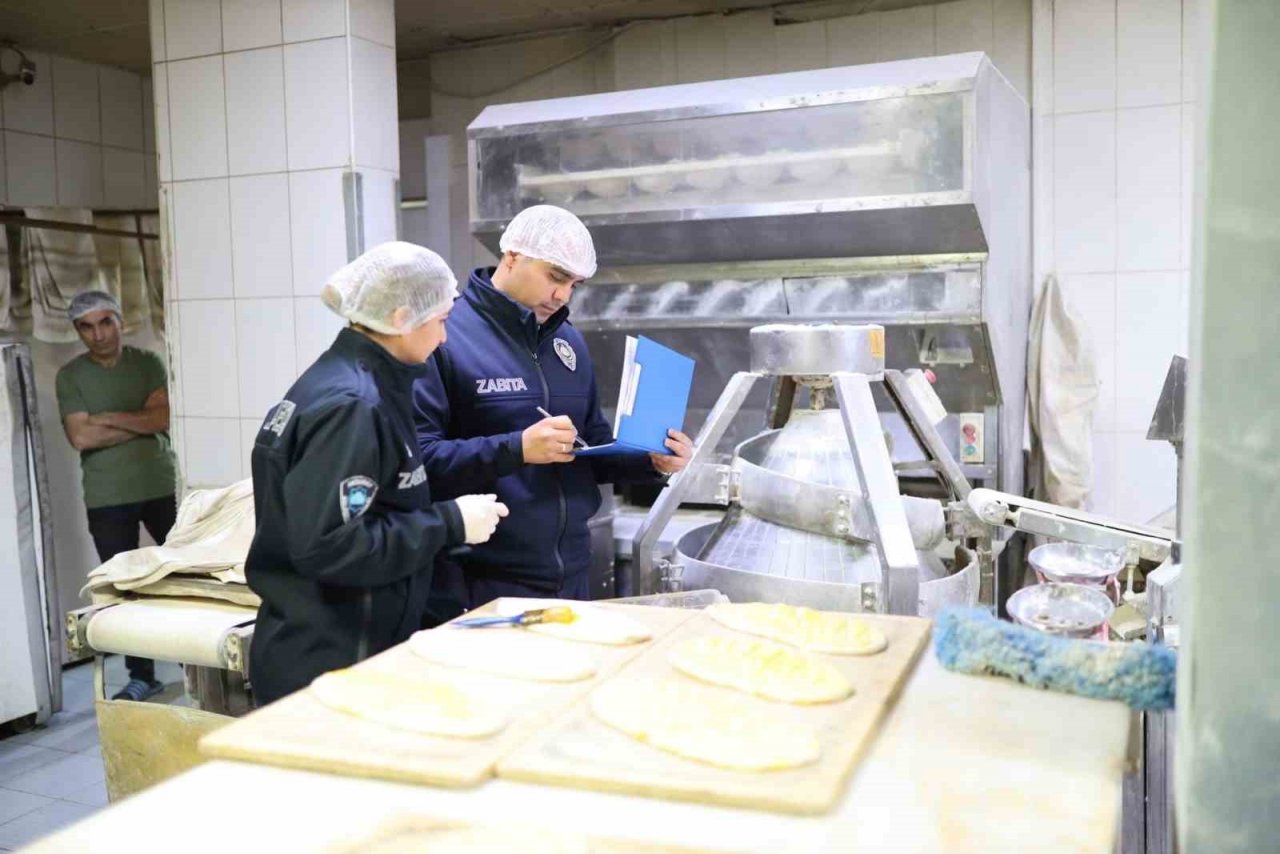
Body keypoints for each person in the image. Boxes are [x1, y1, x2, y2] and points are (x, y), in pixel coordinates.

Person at [245, 242, 508, 705]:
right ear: (403, 317)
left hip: (353, 648)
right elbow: (330, 545)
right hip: (325, 663)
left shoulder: (366, 385)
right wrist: (451, 522)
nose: (445, 338)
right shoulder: (354, 406)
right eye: (441, 321)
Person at [414, 205, 693, 607]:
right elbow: (421, 462)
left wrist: (648, 459)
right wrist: (518, 448)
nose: (562, 295)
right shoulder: (445, 336)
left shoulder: (567, 343)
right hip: (480, 579)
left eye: (574, 284)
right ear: (512, 257)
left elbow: (590, 445)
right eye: (555, 277)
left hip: (571, 574)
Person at [55, 291, 179, 702]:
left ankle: (193, 662)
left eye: (105, 321)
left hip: (157, 485)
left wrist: (106, 418)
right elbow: (80, 435)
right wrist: (137, 421)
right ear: (78, 331)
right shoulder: (70, 376)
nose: (98, 333)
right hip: (107, 496)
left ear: (119, 322)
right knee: (122, 587)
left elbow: (162, 417)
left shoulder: (147, 364)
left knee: (179, 575)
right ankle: (142, 674)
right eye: (87, 326)